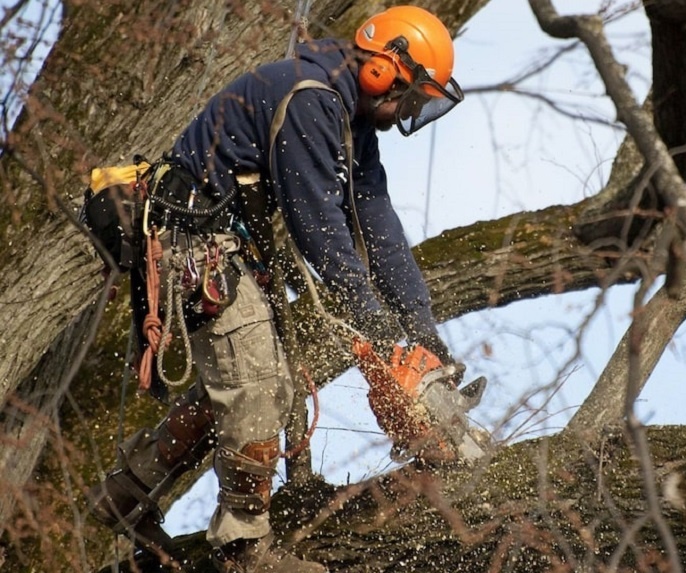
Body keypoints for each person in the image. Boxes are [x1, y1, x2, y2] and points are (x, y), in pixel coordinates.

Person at [84, 5, 464, 572]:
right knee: (257, 385)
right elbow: (321, 235)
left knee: (261, 384)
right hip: (196, 241)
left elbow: (377, 224)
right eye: (408, 97)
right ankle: (244, 549)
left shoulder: (348, 115)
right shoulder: (311, 98)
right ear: (384, 68)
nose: (404, 112)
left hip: (225, 246)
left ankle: (123, 493)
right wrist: (382, 333)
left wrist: (422, 333)